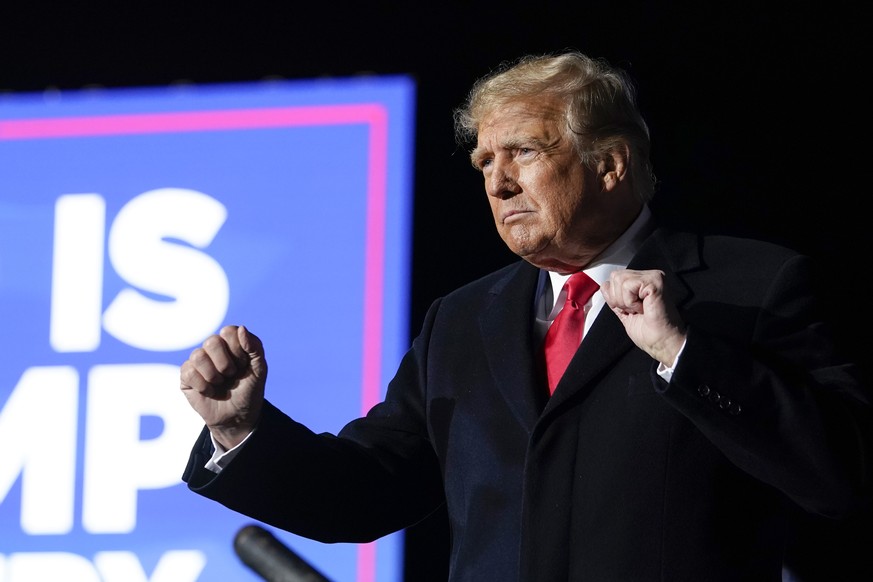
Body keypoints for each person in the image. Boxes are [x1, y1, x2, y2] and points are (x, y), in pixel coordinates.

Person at [180, 50, 873, 581]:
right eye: (484, 160)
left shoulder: (748, 285)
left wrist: (681, 353)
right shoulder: (461, 321)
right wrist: (241, 429)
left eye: (524, 153)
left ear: (609, 165)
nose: (497, 180)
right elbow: (369, 491)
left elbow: (840, 476)